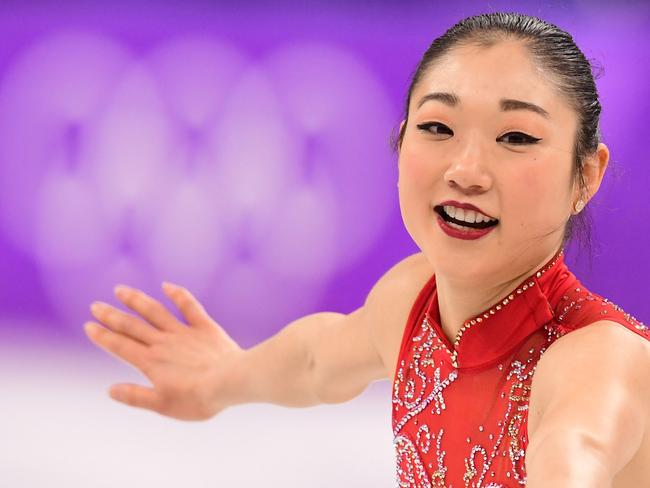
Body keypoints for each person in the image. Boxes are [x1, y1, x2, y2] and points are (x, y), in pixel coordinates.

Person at [84, 12, 649, 487]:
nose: (467, 170)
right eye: (438, 127)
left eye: (516, 138)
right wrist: (220, 379)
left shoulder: (595, 358)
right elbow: (315, 360)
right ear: (401, 140)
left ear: (585, 175)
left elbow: (576, 452)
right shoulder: (410, 303)